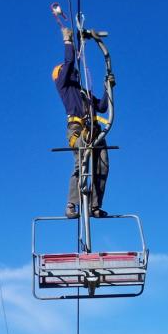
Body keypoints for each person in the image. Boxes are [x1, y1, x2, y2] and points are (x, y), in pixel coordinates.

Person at [52, 26, 110, 219]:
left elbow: (102, 107)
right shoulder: (64, 86)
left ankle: (94, 206)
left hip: (95, 129)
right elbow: (69, 63)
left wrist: (107, 87)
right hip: (77, 129)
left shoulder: (84, 93)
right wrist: (68, 41)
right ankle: (71, 204)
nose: (75, 72)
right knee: (81, 165)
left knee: (102, 165)